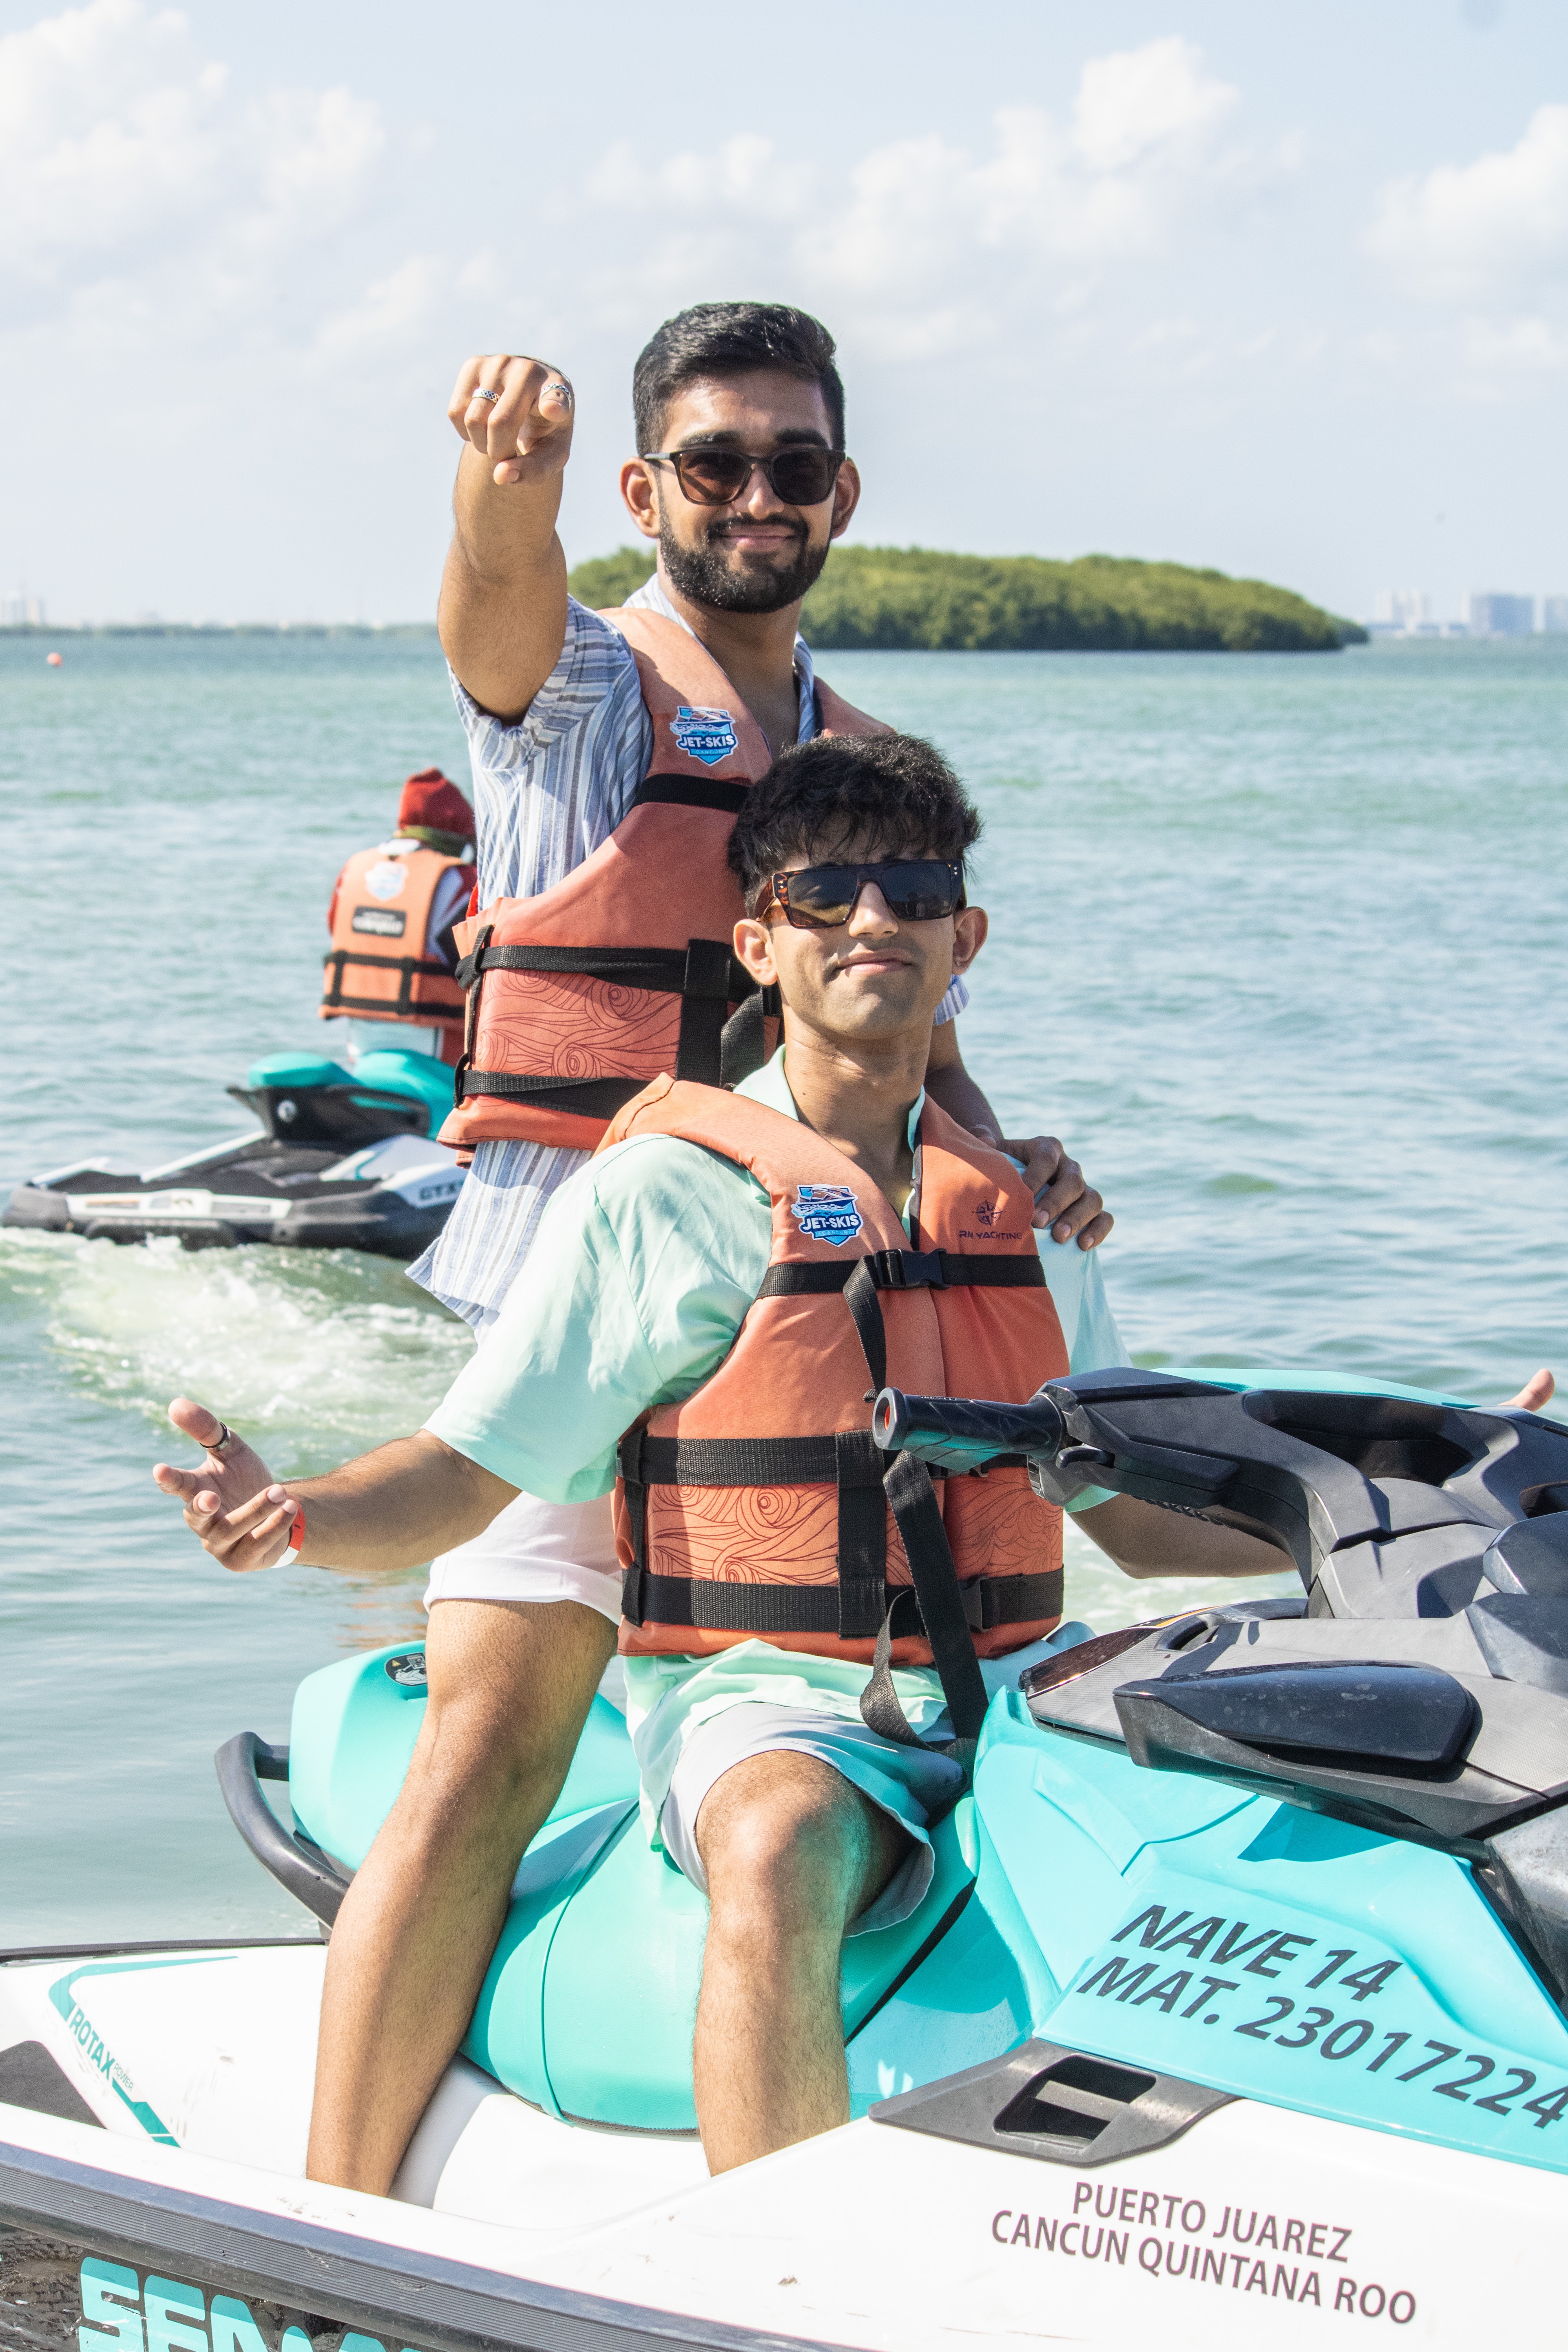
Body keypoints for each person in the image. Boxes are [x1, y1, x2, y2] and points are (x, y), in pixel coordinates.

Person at [173, 303, 1109, 2194]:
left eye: (790, 463)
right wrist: (494, 491)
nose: (754, 494)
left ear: (840, 490)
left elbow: (916, 1046)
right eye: (712, 462)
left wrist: (1006, 1173)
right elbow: (493, 623)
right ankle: (340, 2237)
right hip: (574, 1297)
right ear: (643, 488)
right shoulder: (597, 696)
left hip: (798, 1324)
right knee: (478, 1758)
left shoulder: (862, 761)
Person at [156, 734, 1335, 2179]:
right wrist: (294, 1515)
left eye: (912, 892)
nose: (872, 919)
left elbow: (1134, 1518)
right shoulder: (660, 1197)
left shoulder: (1022, 1215)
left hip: (1015, 1690)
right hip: (773, 1702)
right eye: (825, 894)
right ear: (759, 945)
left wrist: (1387, 1510)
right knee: (773, 1843)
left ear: (962, 941)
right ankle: (763, 2271)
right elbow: (470, 1466)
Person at [318, 768, 476, 1069]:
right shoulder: (461, 878)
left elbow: (335, 929)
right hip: (434, 1039)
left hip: (360, 1035)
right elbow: (480, 956)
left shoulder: (354, 868)